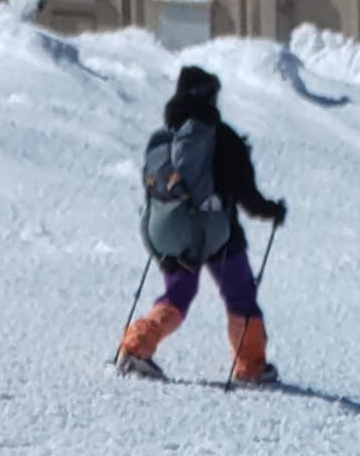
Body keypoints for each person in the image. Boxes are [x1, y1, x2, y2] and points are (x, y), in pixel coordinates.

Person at [114, 63, 288, 386]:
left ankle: (136, 346)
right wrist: (272, 211)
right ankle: (250, 367)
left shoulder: (163, 141)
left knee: (178, 294)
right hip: (220, 235)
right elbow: (246, 194)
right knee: (240, 295)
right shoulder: (222, 138)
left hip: (171, 229)